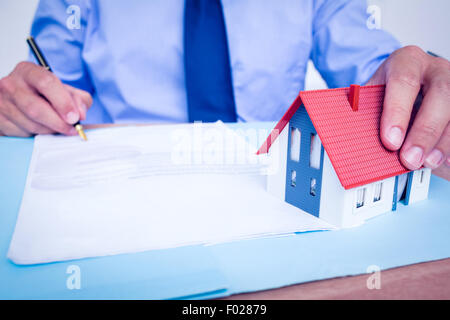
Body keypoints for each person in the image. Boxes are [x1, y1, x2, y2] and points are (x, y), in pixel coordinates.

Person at [0, 0, 448, 174]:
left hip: (271, 186)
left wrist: (421, 82)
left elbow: (378, 74)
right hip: (125, 181)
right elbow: (49, 93)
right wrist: (22, 106)